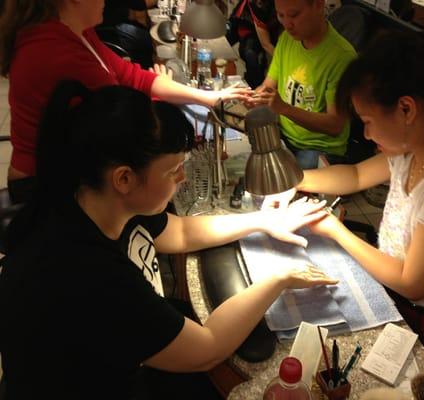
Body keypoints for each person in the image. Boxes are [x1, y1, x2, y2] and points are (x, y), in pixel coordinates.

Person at [0, 81, 337, 399]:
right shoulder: (91, 274)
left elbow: (181, 232)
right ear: (125, 178)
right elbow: (208, 347)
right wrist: (278, 280)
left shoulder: (97, 200)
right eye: (173, 169)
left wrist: (264, 221)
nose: (182, 177)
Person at [294, 31, 424, 369]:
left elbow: (413, 283)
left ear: (406, 108)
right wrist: (293, 179)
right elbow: (357, 176)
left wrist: (335, 230)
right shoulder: (423, 137)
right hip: (395, 289)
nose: (365, 135)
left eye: (367, 122)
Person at [0, 0, 252, 204]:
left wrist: (208, 97)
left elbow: (132, 77)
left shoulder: (77, 32)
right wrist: (152, 97)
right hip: (45, 188)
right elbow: (127, 123)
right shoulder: (56, 53)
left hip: (70, 169)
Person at [252, 0, 356, 169]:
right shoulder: (286, 39)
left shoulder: (342, 56)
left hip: (319, 148)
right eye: (281, 15)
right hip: (284, 135)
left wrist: (284, 108)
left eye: (294, 15)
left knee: (287, 181)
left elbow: (335, 125)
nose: (287, 24)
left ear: (318, 5)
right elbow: (268, 85)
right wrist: (257, 96)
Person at [226, 0, 282, 88]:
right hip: (247, 27)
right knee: (250, 54)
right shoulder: (258, 4)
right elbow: (266, 44)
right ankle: (253, 88)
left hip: (269, 25)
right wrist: (285, 63)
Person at [96, 0, 158, 69]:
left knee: (147, 31)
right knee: (149, 41)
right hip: (109, 26)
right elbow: (141, 4)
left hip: (117, 20)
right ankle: (146, 68)